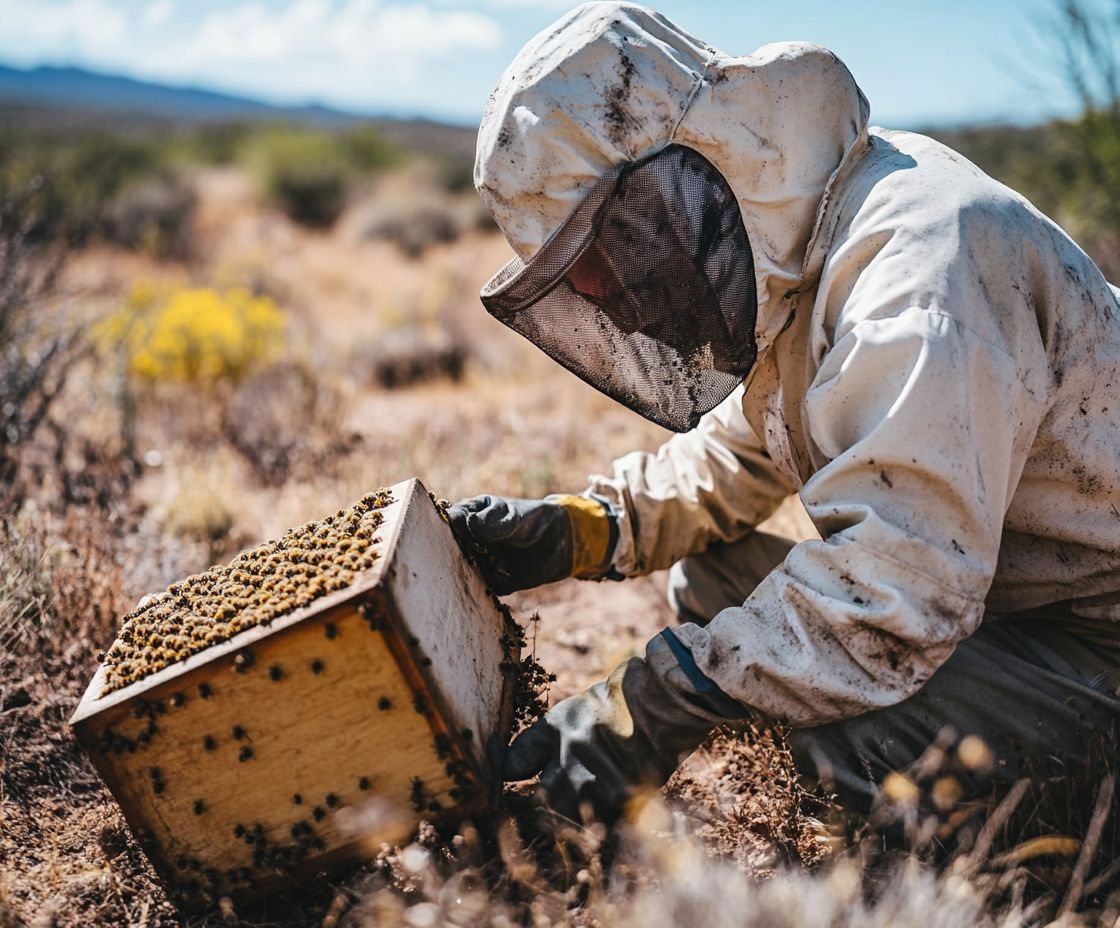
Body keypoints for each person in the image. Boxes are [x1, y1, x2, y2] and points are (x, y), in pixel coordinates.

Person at [448, 1, 1120, 826]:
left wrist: (656, 699)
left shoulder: (918, 275)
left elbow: (900, 583)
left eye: (604, 250)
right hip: (1009, 606)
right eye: (577, 272)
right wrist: (584, 526)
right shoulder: (807, 247)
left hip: (1096, 638)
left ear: (688, 174)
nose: (604, 298)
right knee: (718, 581)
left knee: (850, 738)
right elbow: (740, 453)